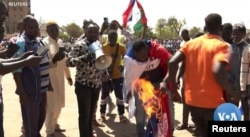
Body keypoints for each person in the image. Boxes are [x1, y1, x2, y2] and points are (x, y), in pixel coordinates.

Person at [160, 13, 240, 137]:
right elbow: (218, 71)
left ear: (205, 26)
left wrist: (174, 90)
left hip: (193, 103)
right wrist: (232, 92)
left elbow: (172, 62)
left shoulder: (190, 44)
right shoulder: (223, 46)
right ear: (221, 27)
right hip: (213, 104)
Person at [124, 39, 181, 137]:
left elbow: (173, 64)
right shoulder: (130, 57)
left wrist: (165, 81)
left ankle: (169, 133)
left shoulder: (157, 49)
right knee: (141, 112)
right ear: (134, 54)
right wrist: (129, 90)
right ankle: (141, 134)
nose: (142, 59)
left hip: (160, 83)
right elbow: (129, 76)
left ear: (147, 49)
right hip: (142, 85)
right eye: (139, 58)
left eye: (144, 56)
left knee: (168, 109)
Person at [13, 15, 50, 137]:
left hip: (42, 90)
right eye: (31, 27)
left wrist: (48, 83)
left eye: (36, 27)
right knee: (31, 124)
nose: (35, 30)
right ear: (24, 27)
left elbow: (43, 62)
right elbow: (16, 70)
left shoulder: (39, 41)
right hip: (30, 92)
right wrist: (21, 92)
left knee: (40, 119)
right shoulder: (20, 43)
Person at [66, 23, 102, 137]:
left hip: (96, 84)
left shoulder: (98, 45)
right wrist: (84, 58)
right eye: (90, 31)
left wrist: (107, 78)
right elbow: (69, 62)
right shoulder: (79, 45)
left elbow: (102, 63)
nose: (93, 34)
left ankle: (90, 133)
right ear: (85, 32)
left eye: (95, 32)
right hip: (83, 85)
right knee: (84, 115)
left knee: (91, 114)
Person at [42, 21, 73, 137]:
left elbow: (64, 61)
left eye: (56, 30)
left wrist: (68, 76)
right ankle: (49, 131)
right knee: (50, 107)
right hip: (49, 80)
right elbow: (41, 62)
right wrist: (53, 60)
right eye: (52, 30)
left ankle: (54, 125)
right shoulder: (43, 43)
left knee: (59, 104)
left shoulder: (60, 42)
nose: (55, 32)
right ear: (47, 31)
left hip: (60, 79)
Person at [100, 30, 127, 122]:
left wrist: (123, 65)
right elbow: (100, 60)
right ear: (108, 38)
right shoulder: (103, 48)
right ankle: (102, 114)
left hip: (117, 76)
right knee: (104, 95)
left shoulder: (121, 47)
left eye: (114, 38)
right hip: (105, 76)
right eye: (111, 38)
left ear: (116, 38)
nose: (112, 39)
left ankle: (121, 115)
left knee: (119, 95)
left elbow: (126, 57)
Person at [176, 29, 195, 131]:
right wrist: (179, 76)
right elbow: (182, 63)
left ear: (188, 34)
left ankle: (196, 123)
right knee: (185, 100)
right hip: (185, 76)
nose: (183, 37)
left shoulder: (192, 43)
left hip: (193, 77)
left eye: (184, 35)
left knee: (194, 101)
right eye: (182, 35)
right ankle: (185, 122)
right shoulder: (182, 43)